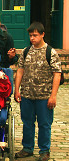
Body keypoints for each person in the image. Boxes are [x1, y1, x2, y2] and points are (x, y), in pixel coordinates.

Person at [14, 22, 62, 161]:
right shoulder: (26, 51)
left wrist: (53, 96)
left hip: (44, 96)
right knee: (27, 123)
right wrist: (17, 90)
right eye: (30, 35)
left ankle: (44, 150)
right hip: (27, 95)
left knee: (44, 124)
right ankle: (27, 148)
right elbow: (20, 70)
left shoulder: (50, 52)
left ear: (42, 34)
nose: (32, 38)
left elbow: (57, 74)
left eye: (35, 35)